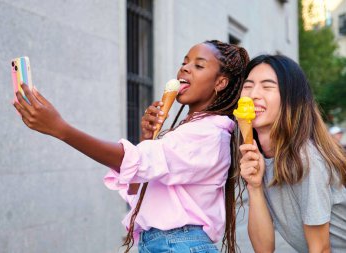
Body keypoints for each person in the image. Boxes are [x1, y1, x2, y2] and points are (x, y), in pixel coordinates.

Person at [13, 40, 249, 253]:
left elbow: (131, 160)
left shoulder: (207, 132)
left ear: (220, 82)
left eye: (199, 66)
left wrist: (61, 129)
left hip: (179, 245)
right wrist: (147, 140)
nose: (185, 68)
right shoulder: (190, 130)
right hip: (165, 243)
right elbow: (138, 190)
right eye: (184, 62)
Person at [239, 55, 346, 253]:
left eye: (267, 86)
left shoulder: (306, 159)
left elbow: (320, 249)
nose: (253, 94)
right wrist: (254, 186)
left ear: (291, 99)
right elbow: (264, 248)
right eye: (248, 86)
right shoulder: (265, 159)